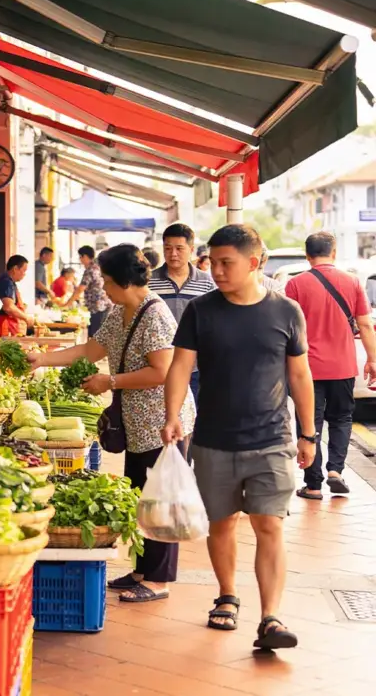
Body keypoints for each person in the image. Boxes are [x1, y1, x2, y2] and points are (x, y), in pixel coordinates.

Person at [163, 224, 316, 651]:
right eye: (211, 262)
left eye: (226, 262)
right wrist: (173, 415)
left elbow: (300, 375)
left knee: (269, 525)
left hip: (273, 440)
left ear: (255, 262)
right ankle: (227, 595)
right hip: (213, 440)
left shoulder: (286, 311)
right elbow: (180, 366)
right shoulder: (201, 310)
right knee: (222, 523)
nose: (216, 271)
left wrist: (308, 434)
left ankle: (270, 618)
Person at [31, 245, 195, 603]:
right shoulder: (121, 312)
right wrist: (41, 357)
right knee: (140, 496)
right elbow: (90, 351)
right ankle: (141, 570)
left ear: (123, 280)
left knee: (160, 499)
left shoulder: (155, 315)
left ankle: (158, 580)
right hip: (138, 423)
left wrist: (111, 383)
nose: (103, 287)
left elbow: (163, 372)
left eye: (106, 280)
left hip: (163, 421)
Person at [284, 231, 376, 498]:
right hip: (343, 366)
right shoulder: (353, 282)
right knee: (342, 418)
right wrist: (372, 359)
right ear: (333, 252)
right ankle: (335, 469)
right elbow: (366, 325)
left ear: (307, 255)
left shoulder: (295, 285)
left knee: (309, 422)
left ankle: (313, 485)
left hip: (306, 369)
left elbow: (288, 329)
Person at [148, 223, 215, 406]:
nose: (173, 254)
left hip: (196, 369)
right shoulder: (149, 283)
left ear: (191, 249)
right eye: (168, 248)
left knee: (196, 423)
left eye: (179, 248)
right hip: (158, 368)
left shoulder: (207, 283)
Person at [70, 245, 112, 336]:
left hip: (98, 306)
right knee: (96, 333)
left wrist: (68, 303)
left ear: (85, 256)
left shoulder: (90, 269)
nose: (80, 260)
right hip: (102, 305)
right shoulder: (96, 267)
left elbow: (81, 288)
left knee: (95, 334)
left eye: (80, 257)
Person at [0, 255, 35, 338]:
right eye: (24, 270)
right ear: (15, 269)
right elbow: (8, 307)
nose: (24, 274)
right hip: (6, 329)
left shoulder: (9, 282)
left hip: (11, 329)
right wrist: (26, 318)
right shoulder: (7, 283)